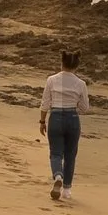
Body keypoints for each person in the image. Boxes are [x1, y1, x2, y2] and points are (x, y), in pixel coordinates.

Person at [39, 50, 88, 202]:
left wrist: (42, 121)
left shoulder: (52, 80)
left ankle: (58, 175)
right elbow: (85, 107)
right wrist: (74, 107)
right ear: (77, 66)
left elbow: (45, 103)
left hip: (56, 117)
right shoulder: (81, 84)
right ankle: (67, 190)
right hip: (72, 118)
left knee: (55, 153)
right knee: (70, 155)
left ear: (62, 63)